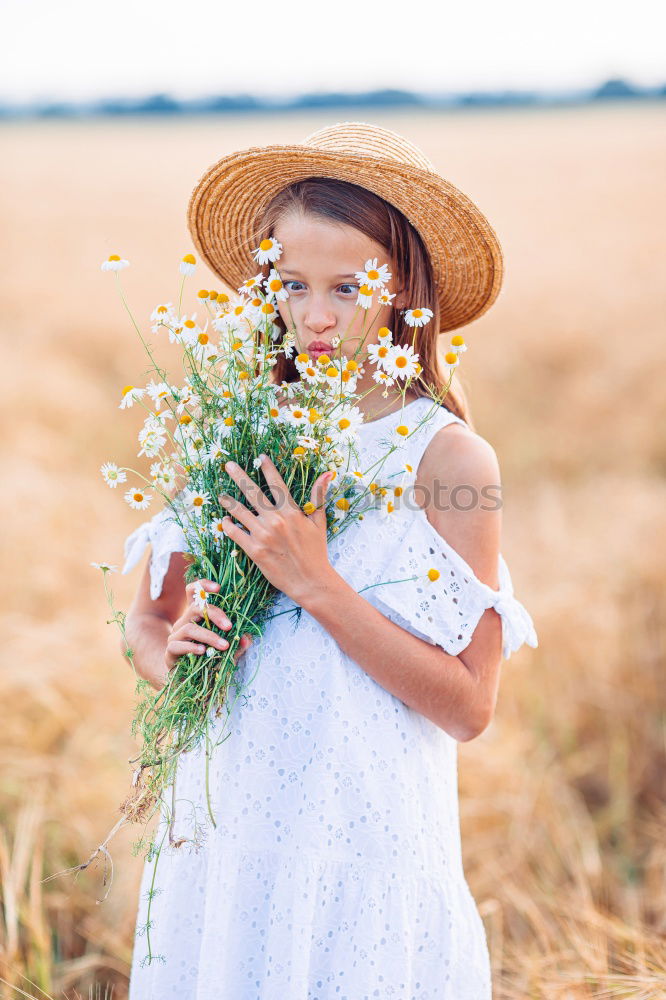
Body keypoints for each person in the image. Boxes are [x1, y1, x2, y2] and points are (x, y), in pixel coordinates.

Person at [123, 121, 538, 999]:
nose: (315, 316)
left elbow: (470, 706)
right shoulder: (236, 427)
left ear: (402, 291)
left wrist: (314, 582)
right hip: (227, 839)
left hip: (365, 849)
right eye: (293, 285)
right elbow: (149, 620)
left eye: (348, 288)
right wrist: (179, 654)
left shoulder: (450, 462)